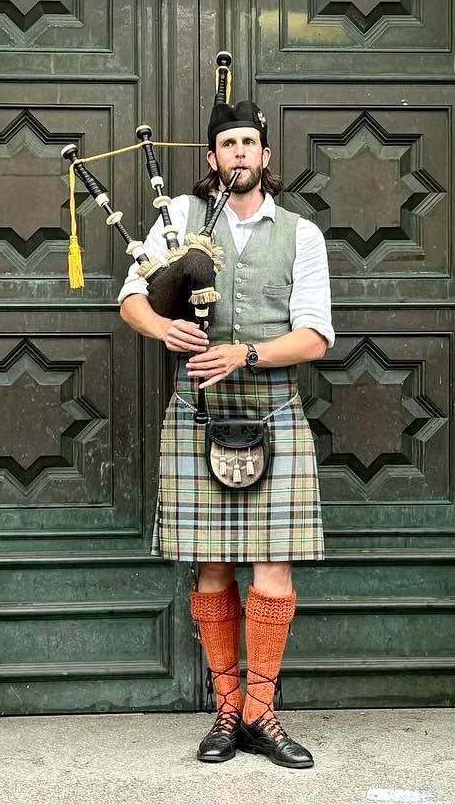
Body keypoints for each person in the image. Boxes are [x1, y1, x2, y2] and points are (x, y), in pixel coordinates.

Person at [118, 94, 332, 769]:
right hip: (197, 410)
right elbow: (130, 297)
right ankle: (228, 709)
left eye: (249, 143)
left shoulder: (300, 234)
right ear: (212, 158)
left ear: (266, 155)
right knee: (211, 562)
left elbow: (316, 335)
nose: (239, 153)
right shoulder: (177, 220)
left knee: (274, 563)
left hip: (272, 407)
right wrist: (164, 328)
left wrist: (246, 353)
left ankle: (263, 713)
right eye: (228, 144)